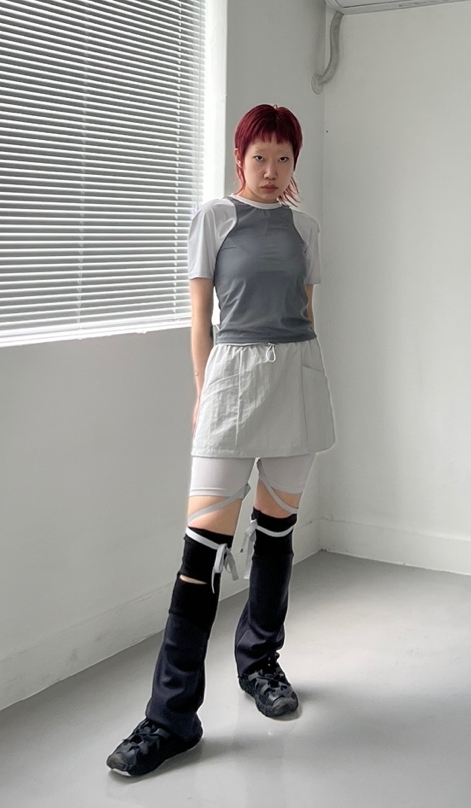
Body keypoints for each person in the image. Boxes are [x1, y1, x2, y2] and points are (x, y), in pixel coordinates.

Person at [106, 104, 335, 777]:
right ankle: (170, 716)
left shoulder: (306, 228)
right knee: (200, 551)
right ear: (240, 158)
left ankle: (260, 662)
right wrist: (204, 392)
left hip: (295, 379)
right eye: (259, 157)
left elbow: (306, 313)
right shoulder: (213, 217)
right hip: (233, 380)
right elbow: (200, 315)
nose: (270, 170)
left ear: (295, 163)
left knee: (276, 534)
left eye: (283, 158)